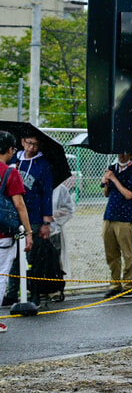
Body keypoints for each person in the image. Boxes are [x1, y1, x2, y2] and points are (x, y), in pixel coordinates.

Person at [4, 130, 54, 306]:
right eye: (29, 143)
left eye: (35, 144)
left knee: (32, 256)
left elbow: (47, 193)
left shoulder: (43, 165)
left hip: (33, 215)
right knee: (13, 256)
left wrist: (46, 221)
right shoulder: (12, 160)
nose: (31, 147)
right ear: (22, 142)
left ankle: (34, 292)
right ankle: (11, 292)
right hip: (11, 216)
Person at [0, 131, 34, 333]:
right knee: (1, 276)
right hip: (3, 234)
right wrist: (28, 232)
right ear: (11, 150)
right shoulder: (10, 173)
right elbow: (20, 205)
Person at [100, 147, 132, 297]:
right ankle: (115, 284)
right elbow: (106, 193)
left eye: (125, 153)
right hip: (110, 214)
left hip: (125, 216)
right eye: (120, 152)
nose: (122, 155)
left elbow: (129, 194)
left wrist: (114, 179)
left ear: (131, 154)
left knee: (127, 251)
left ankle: (130, 284)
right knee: (111, 252)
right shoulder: (112, 168)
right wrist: (106, 182)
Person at [49, 174, 75, 302]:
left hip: (54, 230)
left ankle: (56, 289)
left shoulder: (60, 189)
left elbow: (69, 209)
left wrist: (53, 215)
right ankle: (41, 289)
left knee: (55, 260)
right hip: (36, 228)